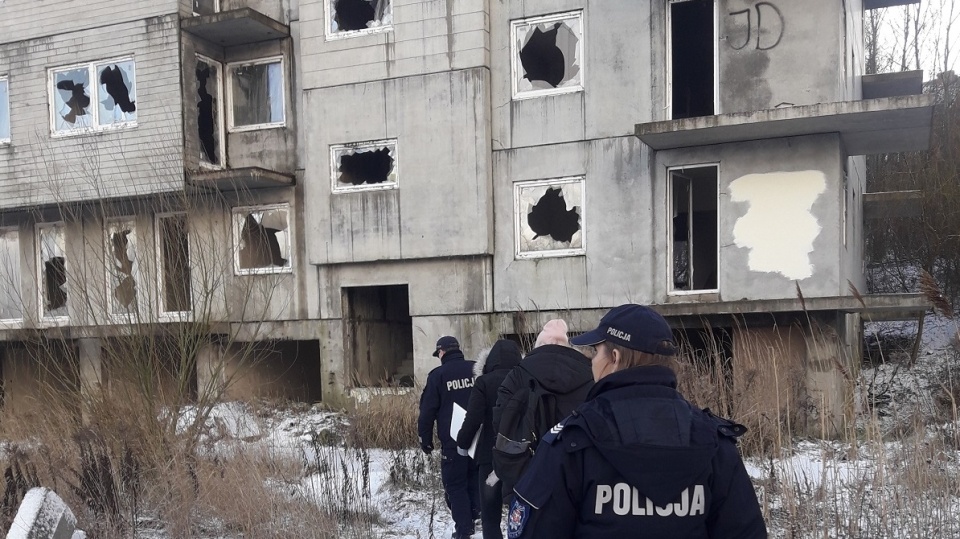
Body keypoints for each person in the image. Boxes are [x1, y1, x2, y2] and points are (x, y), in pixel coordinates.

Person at [505, 304, 768, 538]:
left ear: (615, 359)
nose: (592, 362)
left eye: (596, 352)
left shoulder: (573, 441)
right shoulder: (713, 440)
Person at [492, 319, 593, 504]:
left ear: (539, 344)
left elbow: (500, 419)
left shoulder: (517, 374)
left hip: (525, 472)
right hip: (575, 471)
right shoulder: (588, 374)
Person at [456, 339, 524, 539]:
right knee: (519, 511)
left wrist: (462, 443)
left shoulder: (484, 382)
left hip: (489, 458)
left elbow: (473, 418)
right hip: (519, 457)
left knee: (490, 516)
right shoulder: (526, 379)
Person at [418, 335, 481, 539]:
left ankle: (464, 530)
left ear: (442, 352)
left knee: (455, 485)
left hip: (453, 443)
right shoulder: (476, 368)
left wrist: (425, 439)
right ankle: (475, 517)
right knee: (474, 479)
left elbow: (427, 411)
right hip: (478, 440)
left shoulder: (438, 375)